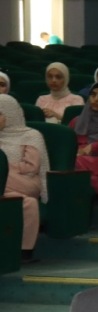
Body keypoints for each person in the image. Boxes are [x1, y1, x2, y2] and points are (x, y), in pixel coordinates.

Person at [0, 94, 49, 263]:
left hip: (26, 182)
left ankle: (24, 251)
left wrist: (5, 167)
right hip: (8, 187)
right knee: (26, 203)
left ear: (11, 114)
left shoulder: (31, 136)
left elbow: (31, 167)